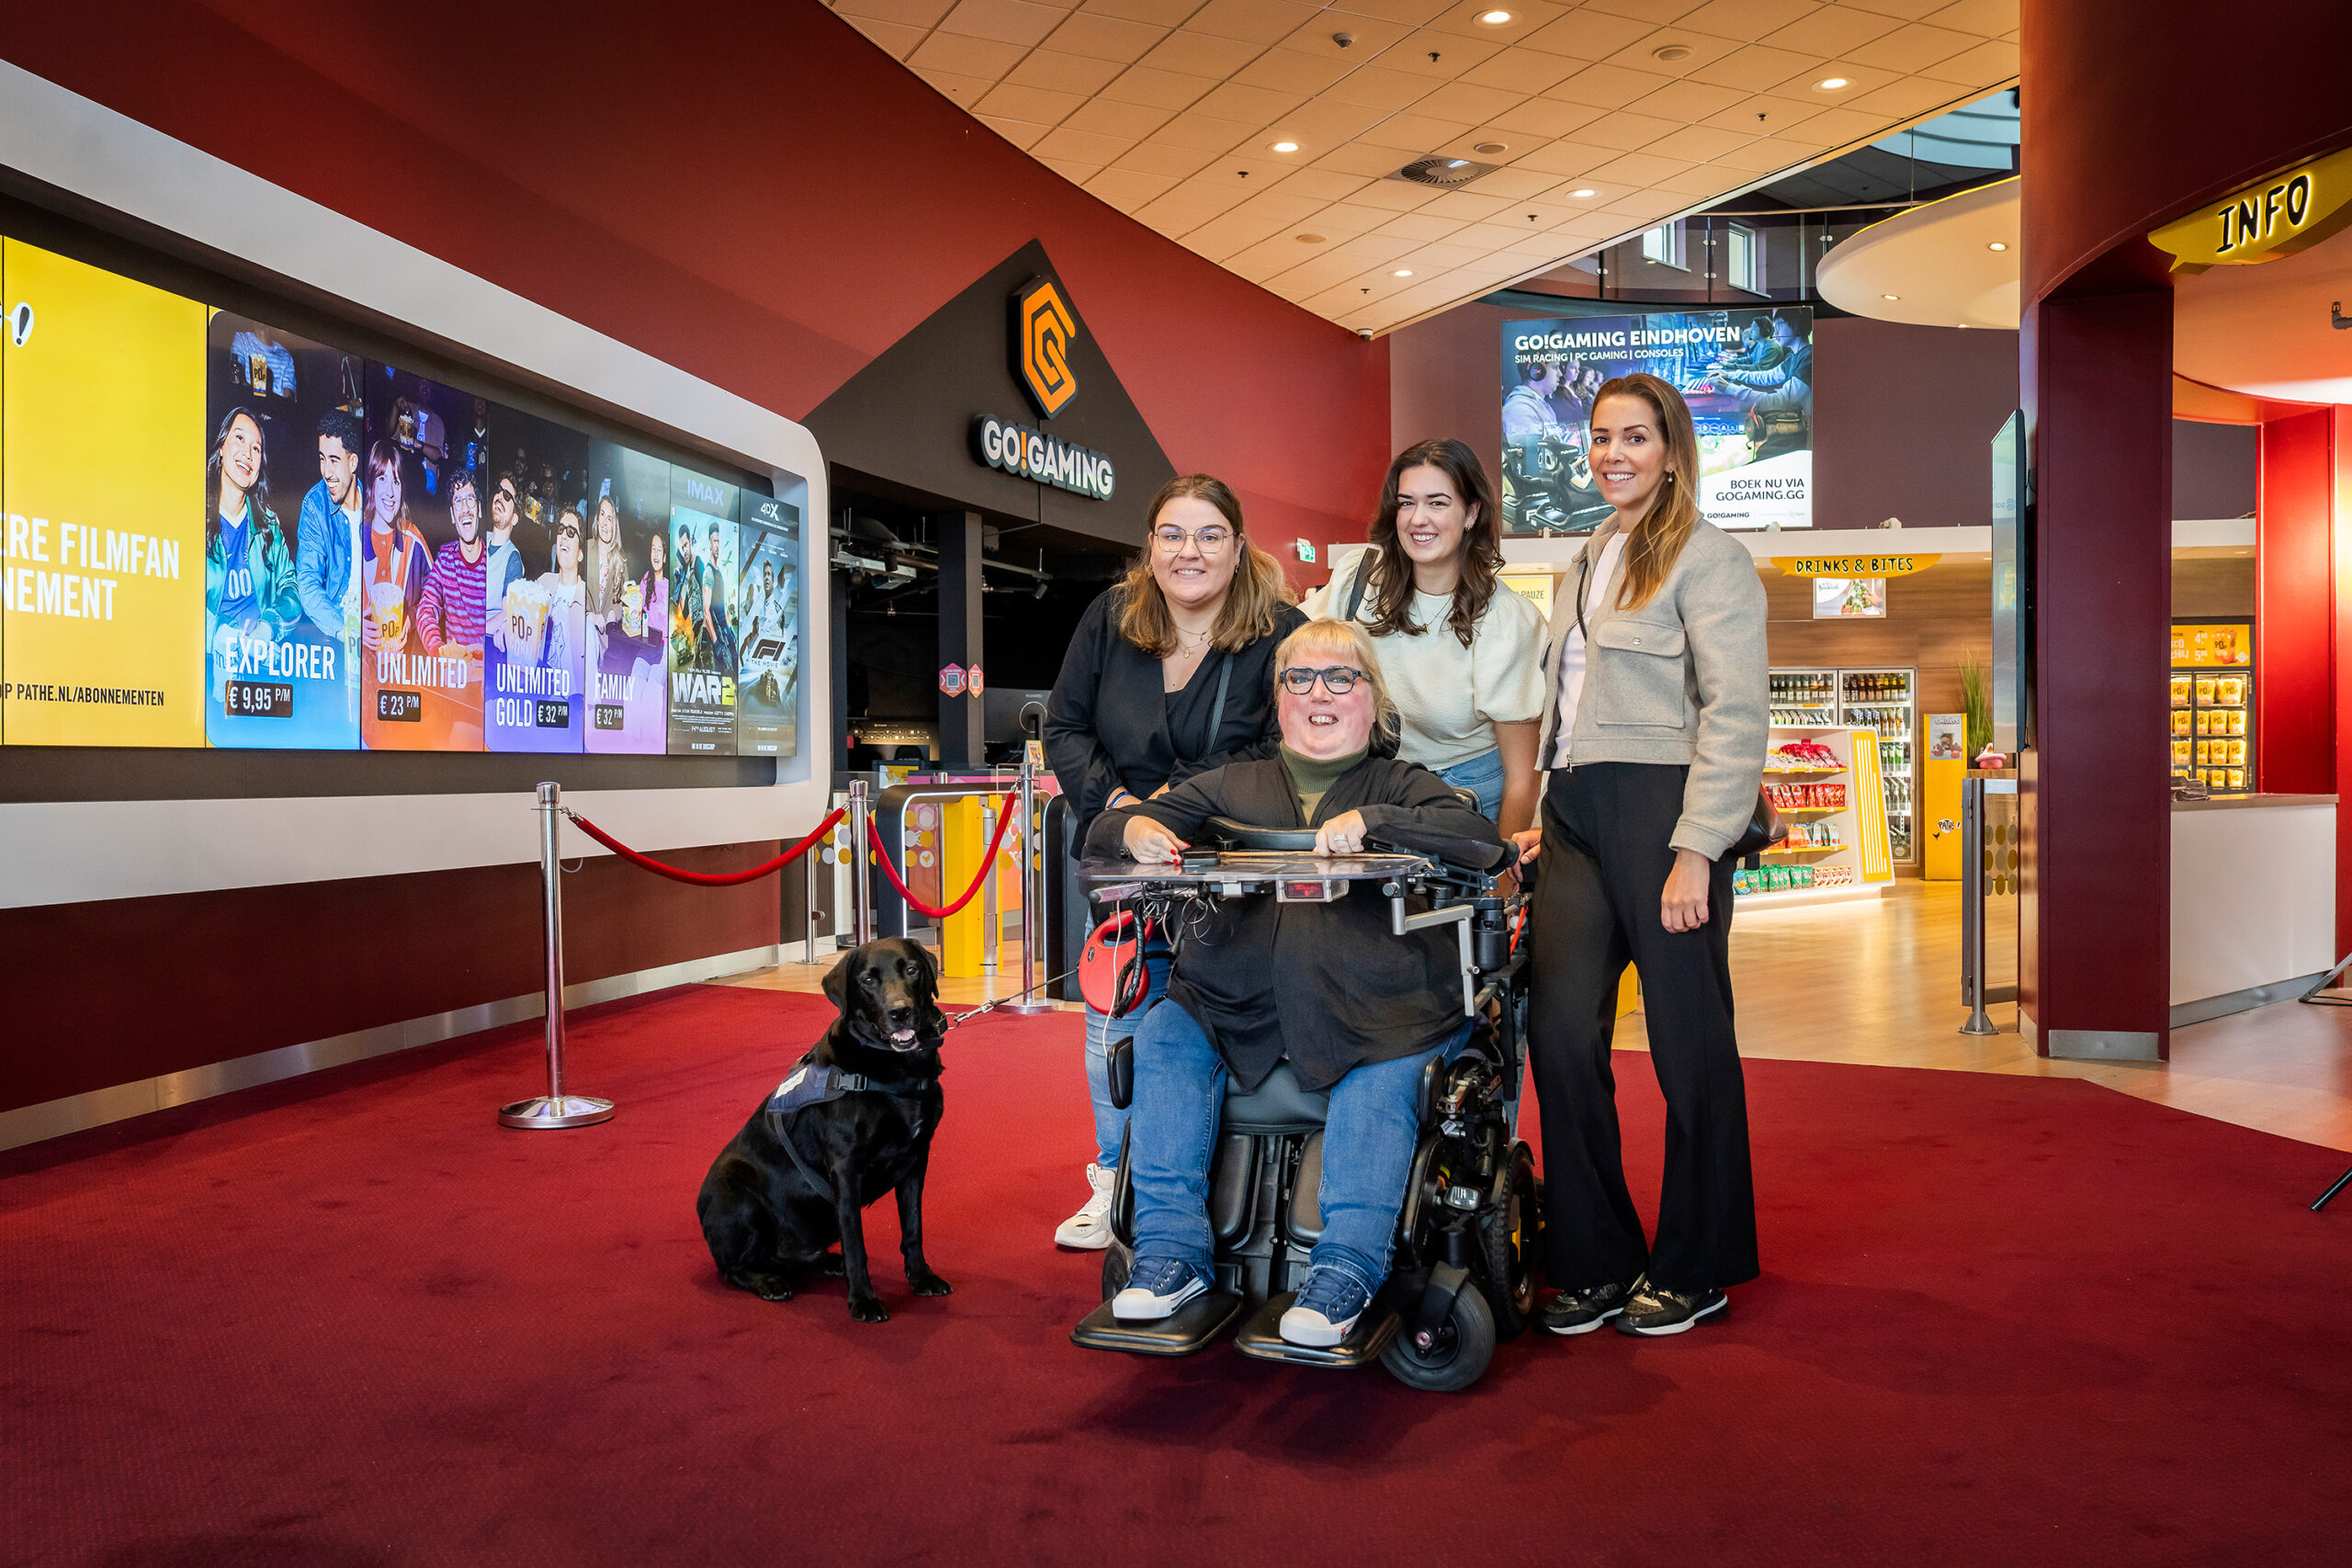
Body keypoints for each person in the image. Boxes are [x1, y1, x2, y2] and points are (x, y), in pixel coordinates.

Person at [1089, 617, 1508, 1345]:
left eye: (1341, 678)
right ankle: (1169, 1253)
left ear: (1373, 701)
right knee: (1164, 1035)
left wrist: (1378, 821)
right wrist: (1133, 830)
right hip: (1231, 999)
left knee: (1383, 1075)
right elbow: (1104, 832)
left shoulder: (1406, 785)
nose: (1320, 693)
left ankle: (1346, 1269)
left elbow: (1480, 842)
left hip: (1381, 1004)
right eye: (1300, 678)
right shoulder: (1230, 783)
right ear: (1278, 699)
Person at [1513, 370, 1770, 1339]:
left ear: (1670, 451)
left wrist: (1697, 848)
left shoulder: (1710, 558)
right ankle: (1596, 1257)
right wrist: (1547, 805)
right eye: (1600, 437)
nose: (1612, 454)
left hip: (1666, 811)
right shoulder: (1585, 557)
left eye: (1634, 437)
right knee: (1560, 1033)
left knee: (1687, 1043)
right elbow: (1568, 703)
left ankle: (1697, 1264)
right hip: (1577, 812)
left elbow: (1735, 714)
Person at [1043, 473, 1306, 1251]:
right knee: (1116, 1018)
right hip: (1124, 861)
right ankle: (1115, 1179)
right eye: (1173, 534)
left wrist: (1178, 803)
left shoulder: (1280, 630)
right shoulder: (1110, 617)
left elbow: (1284, 746)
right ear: (1151, 545)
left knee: (1215, 1028)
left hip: (1233, 865)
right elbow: (1066, 726)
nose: (1190, 551)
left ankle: (1229, 1186)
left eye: (1209, 534)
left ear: (1238, 546)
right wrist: (1121, 807)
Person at [1305, 439, 1544, 834]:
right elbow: (1288, 646)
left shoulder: (1508, 621)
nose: (1418, 519)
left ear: (1471, 513)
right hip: (1369, 784)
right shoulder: (1359, 579)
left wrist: (1504, 863)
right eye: (1407, 503)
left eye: (1437, 503)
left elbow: (1523, 778)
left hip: (1463, 794)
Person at [205, 408, 300, 679]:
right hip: (207, 670)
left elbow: (291, 589)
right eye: (239, 438)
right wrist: (218, 632)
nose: (248, 453)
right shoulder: (194, 516)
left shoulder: (269, 524)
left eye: (256, 448)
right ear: (221, 448)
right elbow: (176, 597)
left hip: (261, 671)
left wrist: (268, 628)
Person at [295, 408, 364, 646]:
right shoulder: (315, 506)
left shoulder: (378, 500)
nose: (326, 471)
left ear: (352, 462)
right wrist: (345, 631)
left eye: (334, 460)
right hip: (335, 633)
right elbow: (308, 584)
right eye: (322, 459)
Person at [361, 442, 431, 660]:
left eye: (396, 481)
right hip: (359, 668)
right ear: (371, 484)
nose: (390, 492)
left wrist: (411, 619)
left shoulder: (412, 538)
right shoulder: (354, 535)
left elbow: (435, 596)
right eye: (382, 479)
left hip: (401, 668)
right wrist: (353, 625)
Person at [416, 471, 488, 660]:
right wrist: (438, 650)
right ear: (452, 515)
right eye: (458, 502)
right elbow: (426, 609)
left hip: (487, 671)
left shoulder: (493, 561)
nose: (465, 509)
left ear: (479, 509)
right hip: (456, 671)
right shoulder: (445, 561)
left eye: (470, 500)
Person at [485, 469, 526, 616]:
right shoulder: (478, 540)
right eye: (499, 490)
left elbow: (506, 615)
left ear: (514, 518)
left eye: (507, 496)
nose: (499, 496)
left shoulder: (513, 559)